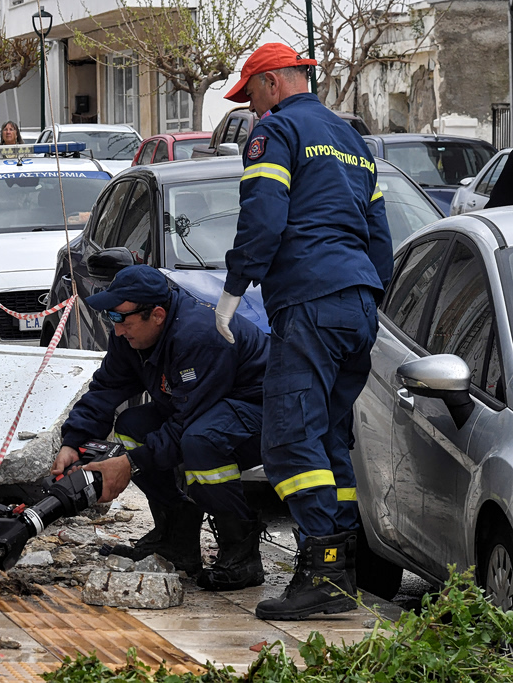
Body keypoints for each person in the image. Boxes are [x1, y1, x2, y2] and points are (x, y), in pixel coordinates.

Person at [215, 43, 393, 620]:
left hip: (310, 301)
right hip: (357, 304)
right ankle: (336, 569)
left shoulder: (276, 134)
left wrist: (235, 287)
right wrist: (367, 294)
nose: (253, 109)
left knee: (290, 440)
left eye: (252, 96)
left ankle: (322, 566)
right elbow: (378, 234)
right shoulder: (351, 140)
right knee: (328, 440)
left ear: (271, 83)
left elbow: (263, 215)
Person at [54, 265, 269, 590]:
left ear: (156, 314)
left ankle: (241, 554)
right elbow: (106, 389)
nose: (117, 330)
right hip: (205, 411)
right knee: (132, 426)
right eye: (111, 318)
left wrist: (129, 464)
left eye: (122, 320)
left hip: (261, 413)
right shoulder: (132, 336)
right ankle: (176, 539)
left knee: (200, 443)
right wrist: (73, 442)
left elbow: (187, 424)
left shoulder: (198, 336)